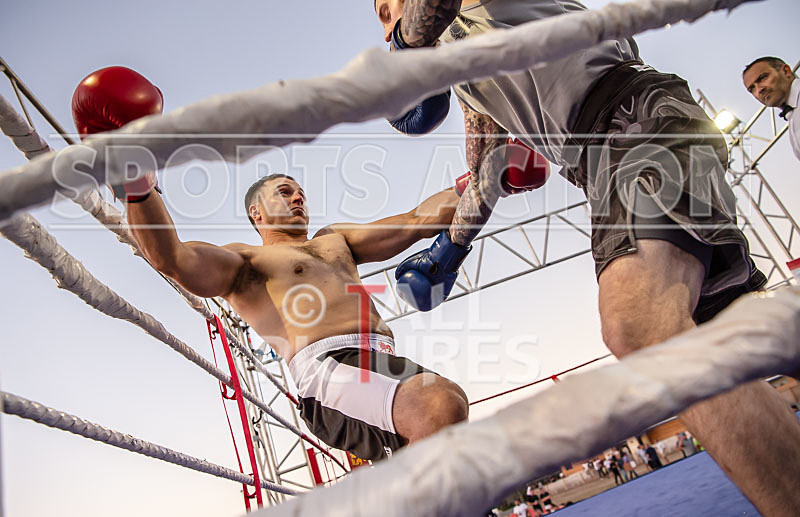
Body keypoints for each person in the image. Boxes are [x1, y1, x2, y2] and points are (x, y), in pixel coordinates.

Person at [372, 2, 800, 513]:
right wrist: (451, 248)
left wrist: (404, 50)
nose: (386, 23)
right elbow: (489, 164)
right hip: (601, 165)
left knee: (638, 323)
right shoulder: (464, 76)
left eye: (386, 8)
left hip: (633, 115)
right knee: (722, 342)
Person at [70, 66, 479, 462]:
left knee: (451, 411)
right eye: (285, 192)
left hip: (380, 359)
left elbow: (416, 221)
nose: (298, 198)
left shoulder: (335, 240)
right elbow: (172, 259)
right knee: (438, 405)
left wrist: (482, 179)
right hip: (327, 369)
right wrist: (136, 180)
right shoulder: (247, 260)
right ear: (257, 212)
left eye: (300, 192)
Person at [742, 56, 799, 161]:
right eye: (752, 89)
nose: (759, 90)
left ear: (786, 71)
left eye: (763, 78)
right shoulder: (792, 116)